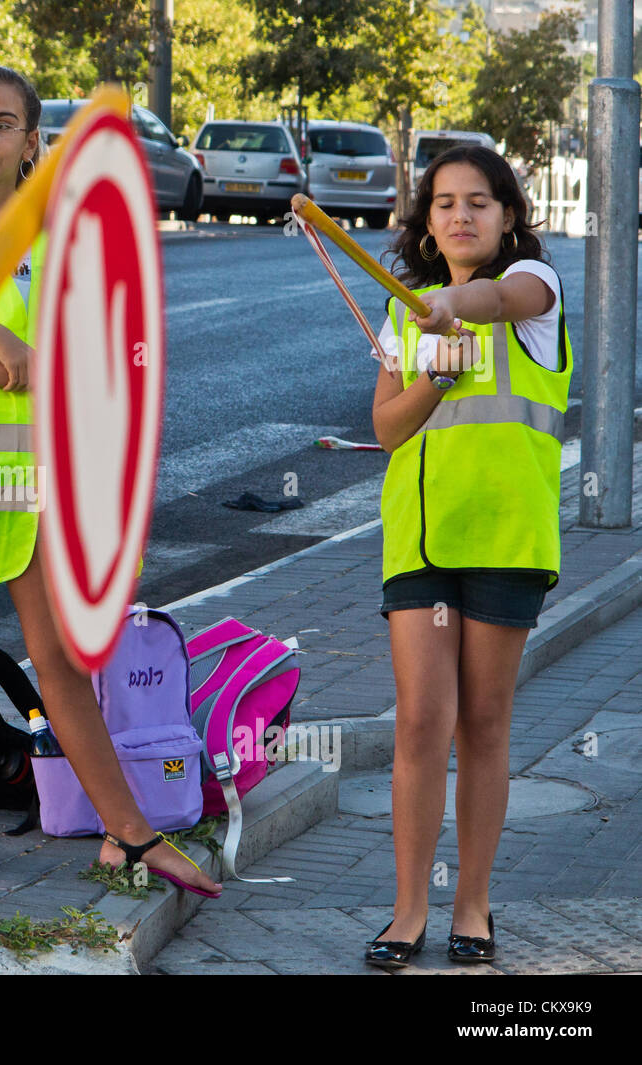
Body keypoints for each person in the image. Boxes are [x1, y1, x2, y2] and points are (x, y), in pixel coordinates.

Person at [0, 63, 221, 896]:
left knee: (58, 654)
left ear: (34, 140)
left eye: (1, 123)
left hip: (38, 485)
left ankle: (128, 832)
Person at [363, 145, 572, 969]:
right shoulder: (403, 313)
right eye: (444, 202)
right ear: (427, 221)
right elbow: (386, 426)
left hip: (508, 539)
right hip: (418, 538)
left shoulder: (536, 291)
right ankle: (408, 908)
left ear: (509, 215)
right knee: (420, 719)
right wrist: (434, 375)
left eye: (479, 202)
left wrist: (453, 306)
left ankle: (474, 904)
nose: (460, 215)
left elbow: (495, 295)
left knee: (484, 722)